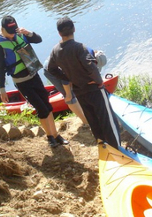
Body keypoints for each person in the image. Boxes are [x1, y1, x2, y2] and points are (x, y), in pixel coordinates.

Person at [0, 15, 69, 148]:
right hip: (22, 82)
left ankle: (56, 135)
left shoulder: (20, 34)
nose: (12, 35)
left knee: (48, 106)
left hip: (34, 76)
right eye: (9, 33)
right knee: (42, 109)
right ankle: (50, 137)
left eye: (13, 32)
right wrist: (2, 89)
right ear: (3, 29)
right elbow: (0, 66)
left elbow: (38, 39)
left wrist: (28, 33)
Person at [46, 17, 121, 149]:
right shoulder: (80, 47)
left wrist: (67, 78)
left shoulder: (55, 50)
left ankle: (103, 147)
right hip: (94, 89)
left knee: (93, 120)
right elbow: (90, 66)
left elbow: (50, 69)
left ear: (59, 33)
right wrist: (99, 82)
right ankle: (118, 149)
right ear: (74, 29)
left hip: (79, 92)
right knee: (107, 120)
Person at [43, 48, 107, 125]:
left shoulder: (88, 55)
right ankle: (86, 122)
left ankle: (86, 114)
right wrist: (68, 93)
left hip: (63, 65)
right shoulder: (79, 60)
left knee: (76, 88)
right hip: (51, 69)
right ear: (94, 60)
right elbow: (65, 78)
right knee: (70, 97)